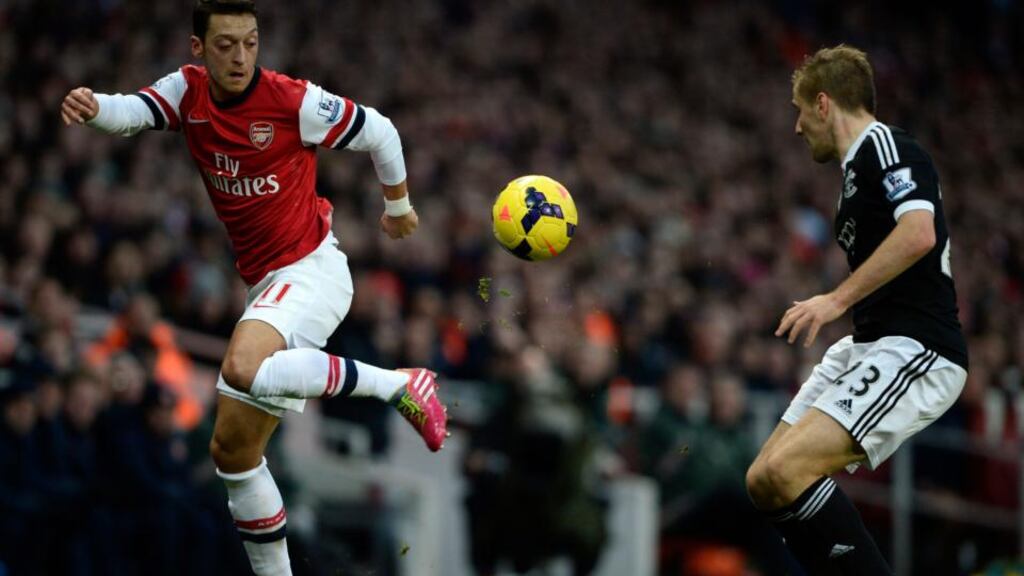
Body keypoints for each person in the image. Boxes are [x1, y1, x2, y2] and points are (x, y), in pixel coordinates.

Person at [60, 1, 449, 574]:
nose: (240, 56)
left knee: (240, 368)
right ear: (199, 49)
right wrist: (94, 109)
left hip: (310, 271)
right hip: (266, 285)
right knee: (235, 455)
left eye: (250, 42)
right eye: (225, 44)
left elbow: (381, 132)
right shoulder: (187, 93)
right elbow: (132, 111)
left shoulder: (292, 100)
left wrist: (399, 207)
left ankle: (398, 384)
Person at [745, 45, 969, 575]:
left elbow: (918, 233)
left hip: (918, 348)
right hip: (868, 345)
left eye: (799, 111)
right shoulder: (851, 178)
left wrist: (835, 299)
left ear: (823, 104)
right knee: (764, 478)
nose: (797, 129)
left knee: (787, 469)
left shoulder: (885, 146)